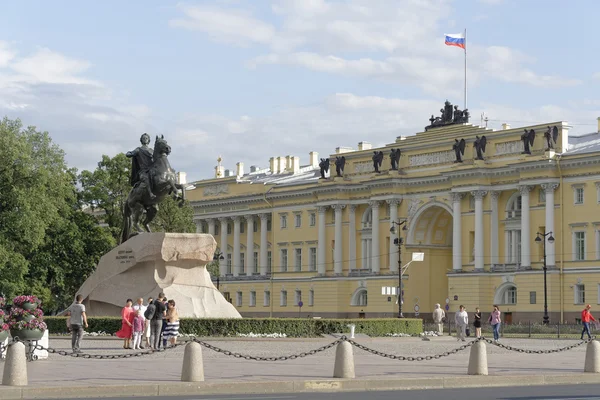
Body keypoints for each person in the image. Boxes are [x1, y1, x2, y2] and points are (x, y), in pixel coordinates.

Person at [126, 133, 155, 199]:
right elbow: (130, 153)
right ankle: (150, 194)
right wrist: (129, 153)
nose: (145, 139)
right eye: (143, 138)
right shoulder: (138, 149)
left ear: (149, 140)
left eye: (146, 138)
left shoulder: (152, 151)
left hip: (151, 171)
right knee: (146, 178)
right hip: (143, 171)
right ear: (141, 140)